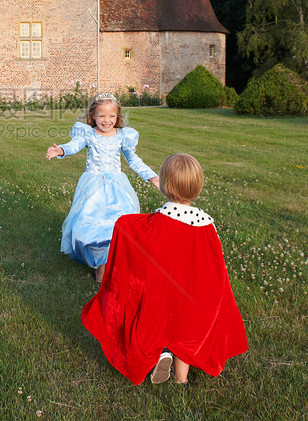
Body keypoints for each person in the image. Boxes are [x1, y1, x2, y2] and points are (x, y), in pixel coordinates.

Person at [80, 153, 248, 386]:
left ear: (165, 187)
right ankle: (181, 378)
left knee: (155, 324)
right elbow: (214, 262)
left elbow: (135, 236)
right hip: (194, 297)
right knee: (185, 334)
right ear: (197, 187)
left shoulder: (155, 224)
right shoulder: (207, 224)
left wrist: (122, 224)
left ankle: (157, 356)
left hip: (162, 294)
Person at [46, 92, 160, 283]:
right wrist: (61, 150)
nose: (107, 121)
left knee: (117, 223)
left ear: (118, 117)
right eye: (102, 116)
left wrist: (152, 176)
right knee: (93, 224)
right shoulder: (88, 134)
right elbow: (75, 145)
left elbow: (133, 160)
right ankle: (101, 265)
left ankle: (115, 262)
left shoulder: (123, 136)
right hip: (94, 189)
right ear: (93, 116)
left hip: (118, 188)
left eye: (112, 116)